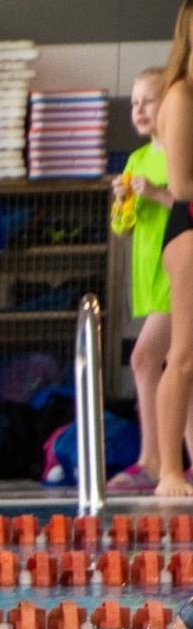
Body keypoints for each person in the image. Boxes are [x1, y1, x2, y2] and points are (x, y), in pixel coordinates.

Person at [112, 68, 191, 493]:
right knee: (181, 368)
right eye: (134, 103)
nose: (139, 110)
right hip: (148, 277)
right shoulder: (136, 160)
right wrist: (123, 203)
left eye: (149, 101)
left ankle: (153, 457)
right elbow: (122, 230)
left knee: (145, 358)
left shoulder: (177, 155)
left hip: (173, 276)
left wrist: (157, 193)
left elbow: (183, 200)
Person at [159, 0, 193, 498]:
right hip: (187, 228)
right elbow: (182, 184)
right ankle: (168, 469)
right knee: (183, 354)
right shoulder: (182, 96)